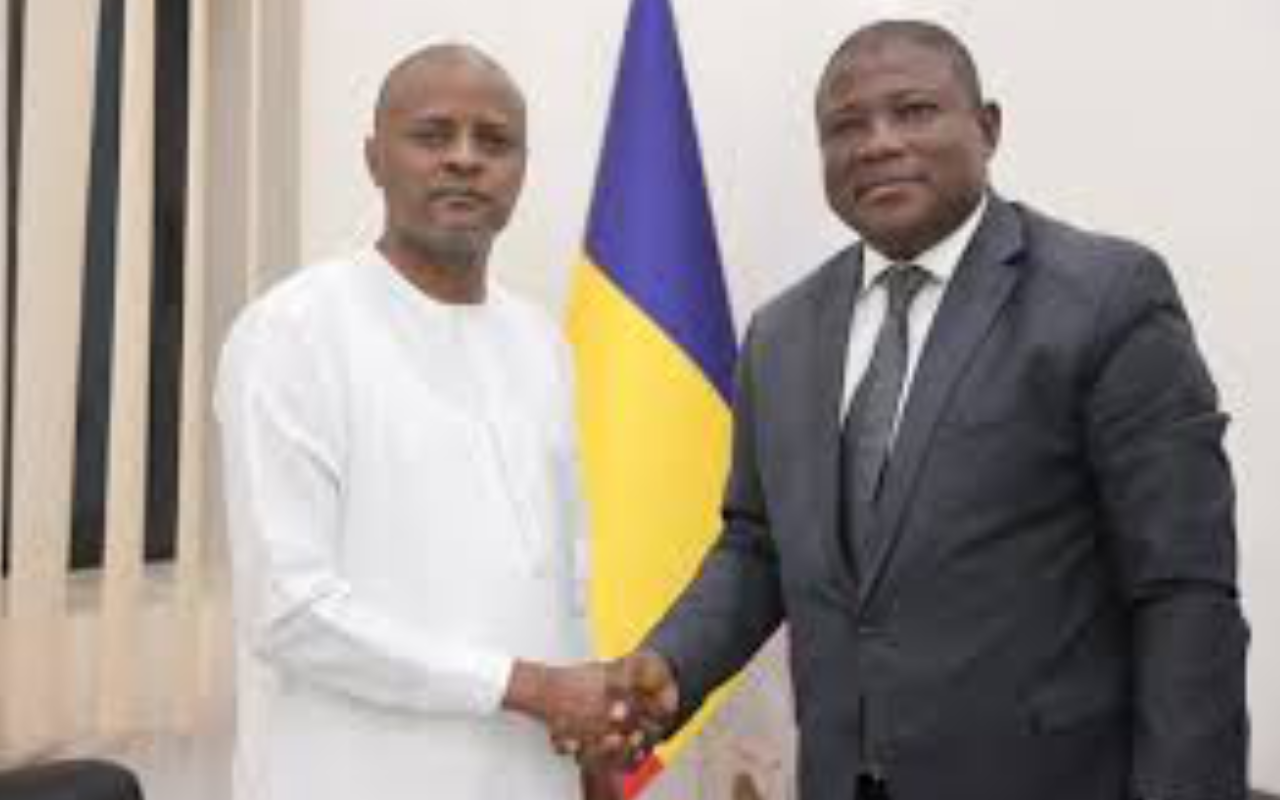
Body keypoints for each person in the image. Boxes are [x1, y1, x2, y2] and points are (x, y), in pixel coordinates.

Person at [613, 19, 1250, 800]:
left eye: (913, 111)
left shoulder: (1105, 298)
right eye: (846, 126)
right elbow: (758, 546)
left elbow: (1183, 589)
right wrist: (672, 663)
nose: (878, 143)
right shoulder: (781, 334)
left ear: (988, 128)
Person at [215, 44, 626, 800]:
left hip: (531, 773)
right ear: (375, 159)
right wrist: (528, 686)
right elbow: (290, 610)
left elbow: (565, 578)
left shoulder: (541, 340)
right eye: (433, 135)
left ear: (522, 170)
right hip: (357, 775)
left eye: (494, 141)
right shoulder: (293, 332)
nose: (466, 159)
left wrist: (592, 750)